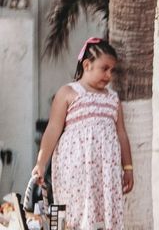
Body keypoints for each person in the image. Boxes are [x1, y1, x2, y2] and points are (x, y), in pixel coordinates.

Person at [31, 37, 134, 230]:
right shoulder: (69, 92)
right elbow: (53, 129)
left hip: (106, 171)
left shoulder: (113, 98)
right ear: (87, 65)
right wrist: (41, 163)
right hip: (76, 169)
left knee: (104, 214)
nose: (109, 75)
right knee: (76, 213)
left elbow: (121, 133)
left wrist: (127, 167)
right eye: (104, 68)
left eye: (112, 70)